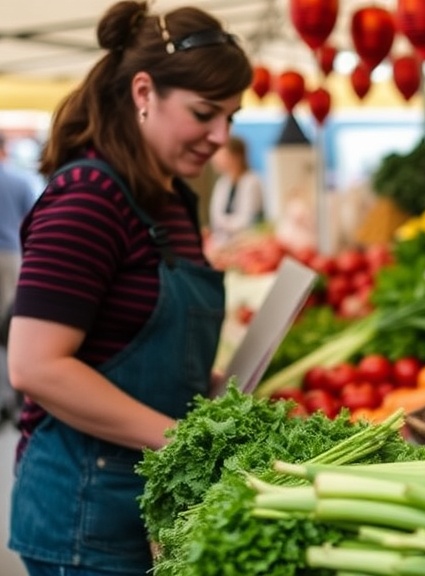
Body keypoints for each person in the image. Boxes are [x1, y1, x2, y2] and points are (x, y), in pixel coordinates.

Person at [5, 2, 252, 575]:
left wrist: (210, 389)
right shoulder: (90, 199)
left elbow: (125, 341)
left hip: (141, 501)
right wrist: (185, 441)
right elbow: (36, 367)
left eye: (231, 118)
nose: (220, 136)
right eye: (204, 113)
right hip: (83, 514)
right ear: (145, 92)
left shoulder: (169, 199)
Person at [0, 133, 38, 426]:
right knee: (8, 329)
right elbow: (32, 220)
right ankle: (10, 400)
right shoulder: (19, 180)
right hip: (10, 257)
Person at [0, 133, 37, 317]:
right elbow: (32, 219)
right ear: (4, 150)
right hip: (10, 251)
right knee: (7, 306)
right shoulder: (21, 182)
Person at [206, 135, 264, 252]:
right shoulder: (223, 183)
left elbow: (247, 220)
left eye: (222, 154)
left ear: (237, 157)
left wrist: (225, 224)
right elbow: (215, 217)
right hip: (222, 243)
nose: (216, 158)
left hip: (246, 243)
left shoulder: (252, 182)